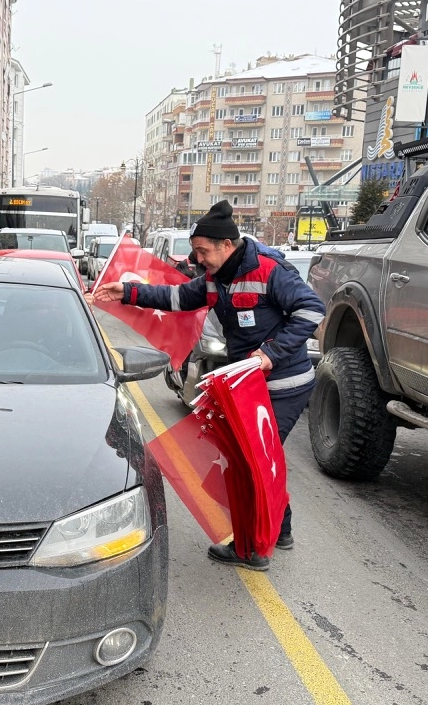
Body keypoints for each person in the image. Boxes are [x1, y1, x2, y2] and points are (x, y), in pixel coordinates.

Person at [94, 200, 325, 570]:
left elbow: (312, 310)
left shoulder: (268, 269)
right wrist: (129, 292)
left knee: (250, 462)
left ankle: (252, 548)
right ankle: (279, 528)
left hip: (282, 384)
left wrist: (270, 353)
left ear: (226, 245)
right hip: (248, 385)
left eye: (203, 251)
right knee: (262, 458)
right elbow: (178, 297)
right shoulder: (218, 277)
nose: (198, 259)